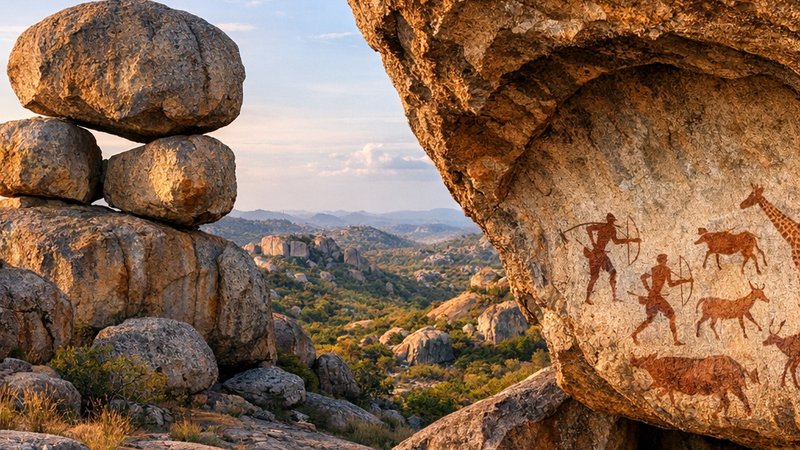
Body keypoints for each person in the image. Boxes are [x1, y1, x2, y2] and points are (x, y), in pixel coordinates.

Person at [630, 254, 692, 346]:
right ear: (662, 260)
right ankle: (675, 341)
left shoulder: (653, 269)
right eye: (665, 259)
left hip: (653, 297)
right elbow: (671, 284)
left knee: (650, 320)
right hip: (656, 298)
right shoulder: (666, 270)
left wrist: (648, 289)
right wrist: (686, 281)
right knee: (671, 316)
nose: (666, 261)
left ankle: (635, 334)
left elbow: (642, 277)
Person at [584, 213, 640, 304]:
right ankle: (587, 298)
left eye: (613, 220)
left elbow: (616, 241)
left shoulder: (612, 230)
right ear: (608, 220)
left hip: (602, 254)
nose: (612, 222)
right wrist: (593, 243)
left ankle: (614, 296)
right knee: (595, 276)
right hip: (595, 254)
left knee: (613, 273)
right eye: (610, 220)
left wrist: (631, 240)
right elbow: (588, 228)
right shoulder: (601, 226)